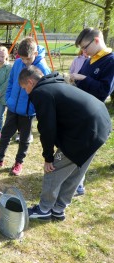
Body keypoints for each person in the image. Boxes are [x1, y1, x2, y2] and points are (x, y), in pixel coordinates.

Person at [18, 66, 111, 221]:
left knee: (54, 169)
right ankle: (58, 209)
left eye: (24, 88)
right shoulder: (54, 83)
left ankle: (44, 209)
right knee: (76, 169)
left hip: (84, 130)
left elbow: (47, 128)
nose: (26, 92)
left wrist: (48, 157)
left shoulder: (41, 92)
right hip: (101, 125)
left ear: (30, 82)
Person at [0, 37, 51, 176]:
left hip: (27, 112)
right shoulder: (18, 63)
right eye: (22, 58)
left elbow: (45, 92)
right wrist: (9, 99)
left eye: (27, 59)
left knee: (24, 139)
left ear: (35, 54)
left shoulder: (43, 68)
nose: (24, 61)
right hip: (13, 108)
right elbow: (12, 82)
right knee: (5, 134)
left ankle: (19, 162)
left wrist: (33, 108)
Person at [70, 27, 114, 195]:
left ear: (96, 40)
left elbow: (104, 91)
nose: (83, 51)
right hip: (80, 112)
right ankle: (75, 182)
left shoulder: (110, 61)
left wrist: (84, 78)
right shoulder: (90, 59)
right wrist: (73, 80)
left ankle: (78, 186)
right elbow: (80, 81)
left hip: (92, 116)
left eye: (85, 47)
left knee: (83, 151)